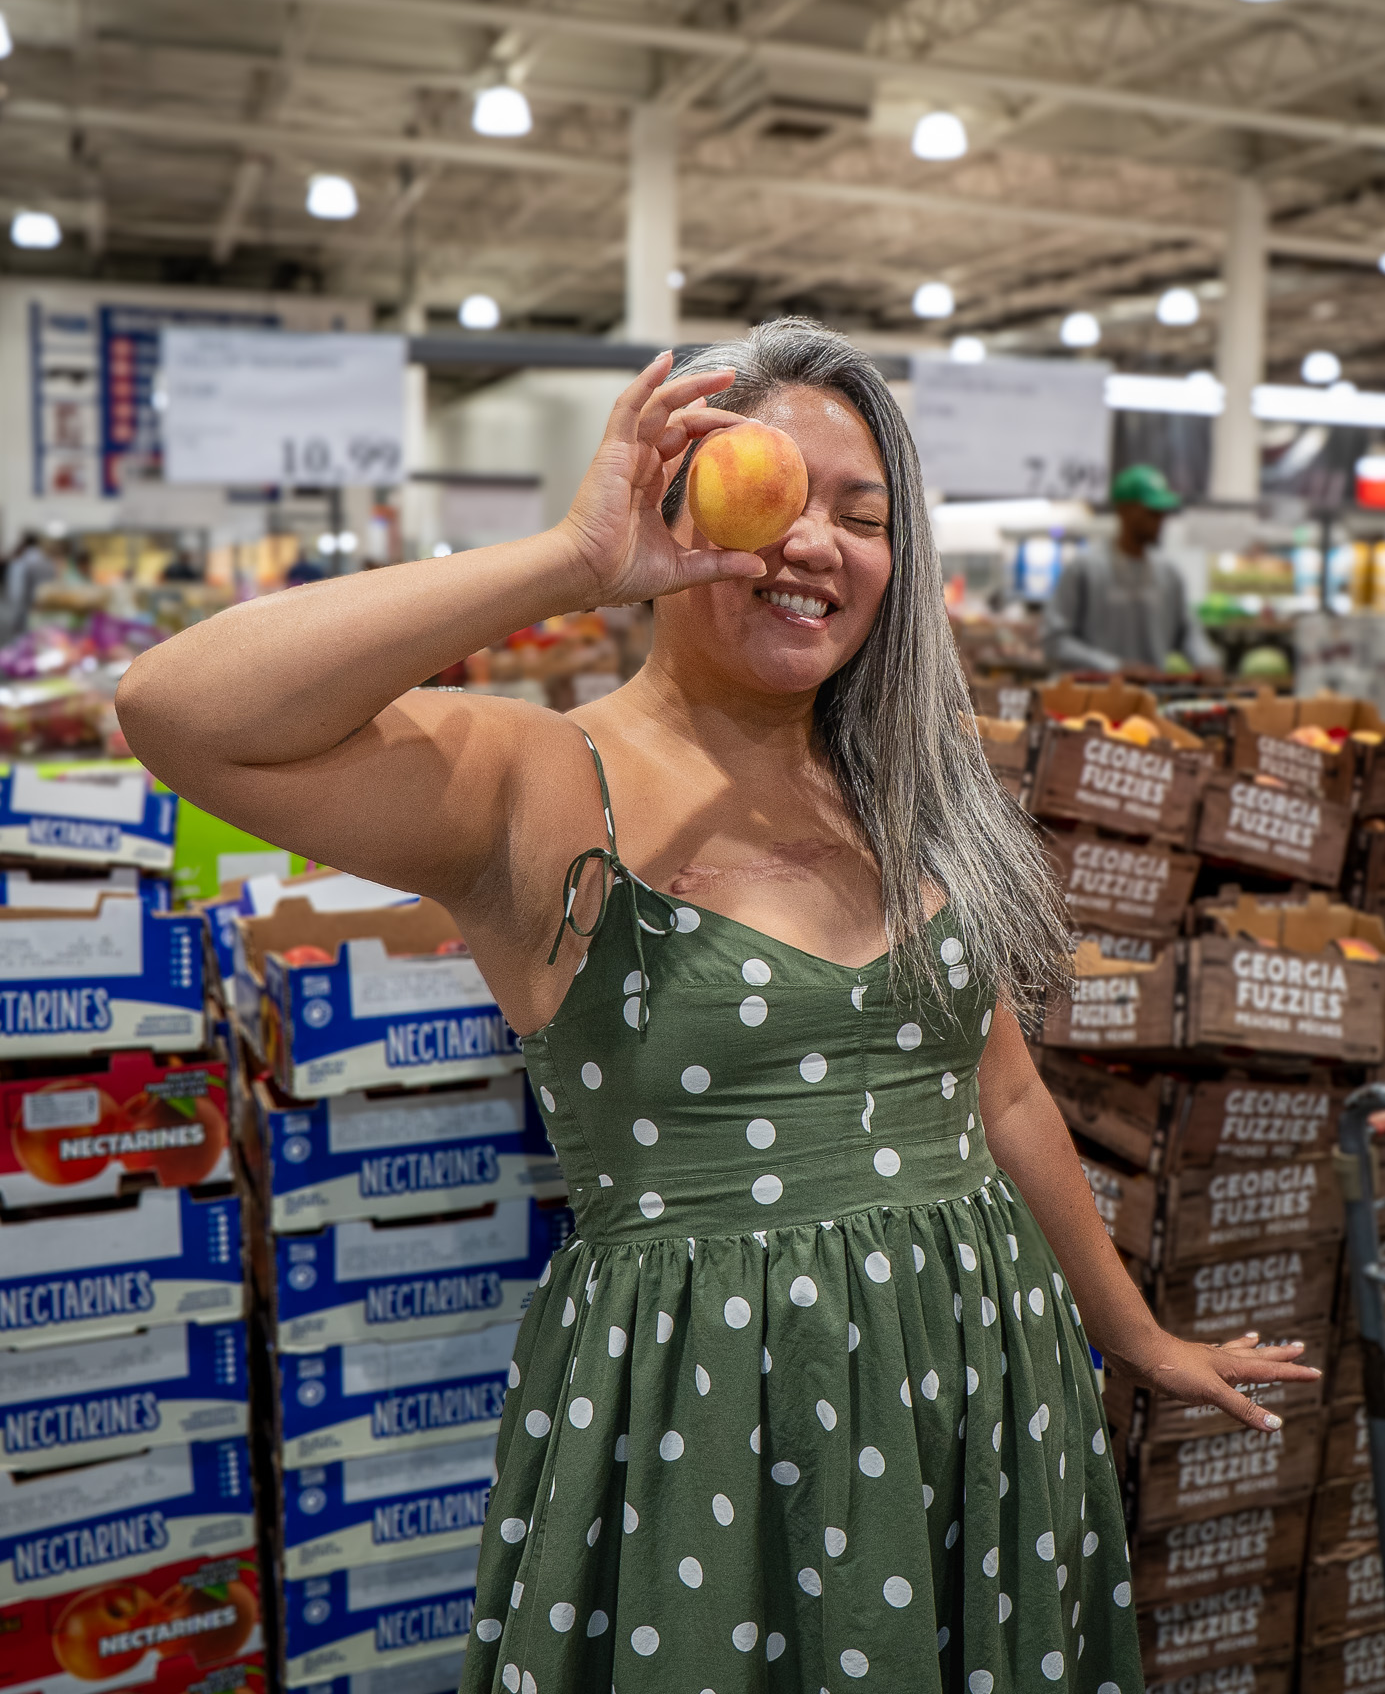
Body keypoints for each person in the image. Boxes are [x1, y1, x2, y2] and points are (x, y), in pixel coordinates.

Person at [116, 320, 1312, 1694]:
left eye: (863, 517)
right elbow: (178, 708)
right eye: (776, 495)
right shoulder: (543, 780)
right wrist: (571, 563)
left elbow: (1000, 1096)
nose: (816, 544)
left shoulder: (902, 786)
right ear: (673, 498)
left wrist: (1132, 1331)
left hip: (985, 1380)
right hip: (719, 1422)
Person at [1042, 464, 1219, 675]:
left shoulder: (1169, 575)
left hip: (1151, 699)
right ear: (1125, 510)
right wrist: (1114, 667)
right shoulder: (1084, 569)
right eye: (1151, 512)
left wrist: (1206, 661)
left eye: (1162, 512)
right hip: (1093, 700)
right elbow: (1054, 641)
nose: (1160, 520)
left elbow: (1188, 633)